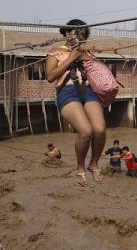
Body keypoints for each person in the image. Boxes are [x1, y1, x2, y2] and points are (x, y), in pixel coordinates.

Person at [45, 19, 106, 186]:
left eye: (82, 34)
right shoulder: (55, 52)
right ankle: (80, 167)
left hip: (89, 91)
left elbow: (100, 70)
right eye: (74, 32)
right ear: (66, 33)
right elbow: (50, 76)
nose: (78, 36)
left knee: (99, 129)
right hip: (68, 92)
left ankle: (93, 163)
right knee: (86, 131)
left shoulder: (87, 52)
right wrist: (71, 58)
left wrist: (87, 56)